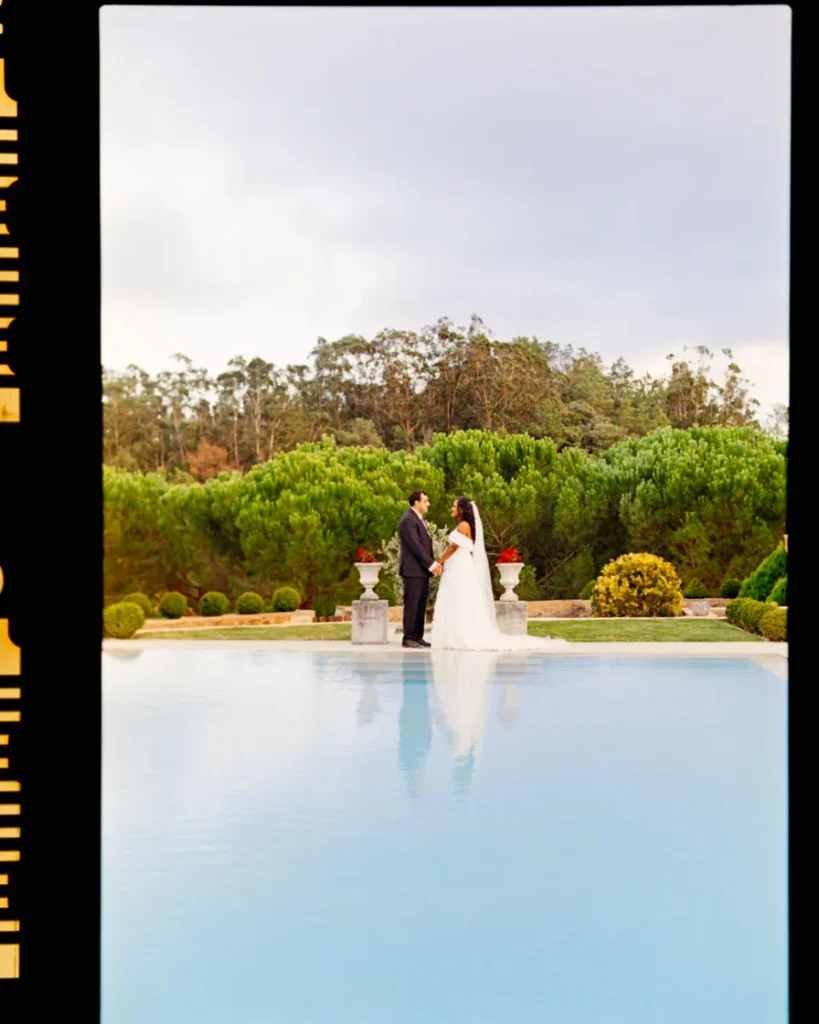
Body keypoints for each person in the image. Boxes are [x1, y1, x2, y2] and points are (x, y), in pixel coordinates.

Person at [430, 497, 569, 652]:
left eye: (454, 506)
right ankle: (453, 635)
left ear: (461, 509)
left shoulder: (463, 525)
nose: (452, 508)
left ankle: (460, 635)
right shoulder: (464, 525)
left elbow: (454, 547)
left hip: (460, 565)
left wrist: (439, 562)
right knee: (457, 598)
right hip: (458, 564)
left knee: (460, 598)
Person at [398, 490, 441, 648]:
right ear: (416, 502)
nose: (427, 504)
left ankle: (417, 636)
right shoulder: (408, 520)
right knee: (412, 604)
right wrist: (432, 564)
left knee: (420, 604)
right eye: (425, 501)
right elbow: (416, 547)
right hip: (412, 570)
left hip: (421, 571)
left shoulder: (419, 519)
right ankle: (408, 637)